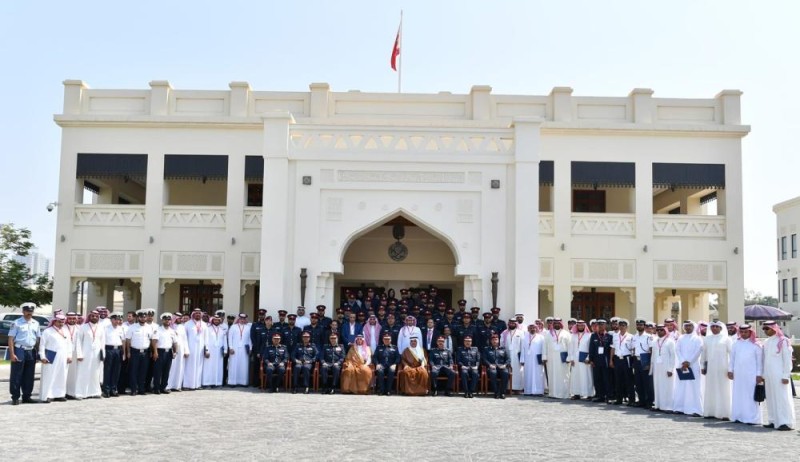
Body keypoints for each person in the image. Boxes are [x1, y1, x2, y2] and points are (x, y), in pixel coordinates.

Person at [761, 321, 795, 430]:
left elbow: (787, 360)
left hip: (780, 375)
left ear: (774, 328)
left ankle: (785, 422)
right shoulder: (766, 342)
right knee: (770, 398)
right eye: (764, 329)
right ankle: (773, 420)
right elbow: (764, 359)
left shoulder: (783, 341)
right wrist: (763, 374)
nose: (765, 331)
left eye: (767, 328)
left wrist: (786, 375)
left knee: (782, 398)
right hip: (769, 375)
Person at [727, 324, 763, 425]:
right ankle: (738, 416)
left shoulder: (756, 345)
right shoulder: (736, 344)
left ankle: (752, 419)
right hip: (738, 374)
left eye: (746, 332)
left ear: (750, 332)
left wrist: (759, 374)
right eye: (741, 332)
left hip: (751, 375)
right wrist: (730, 370)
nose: (743, 334)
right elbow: (732, 359)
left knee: (750, 396)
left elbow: (760, 362)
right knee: (738, 395)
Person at [7, 302, 41, 405]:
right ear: (23, 311)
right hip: (19, 349)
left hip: (31, 350)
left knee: (29, 375)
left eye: (30, 312)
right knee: (17, 374)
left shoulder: (36, 323)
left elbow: (38, 338)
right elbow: (11, 339)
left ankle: (27, 396)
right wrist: (12, 354)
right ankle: (15, 397)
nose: (29, 313)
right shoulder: (16, 323)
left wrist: (38, 353)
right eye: (27, 311)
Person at [701, 321, 732, 419]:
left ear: (721, 328)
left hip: (723, 368)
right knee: (711, 389)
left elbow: (732, 355)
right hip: (710, 368)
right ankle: (710, 412)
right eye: (713, 326)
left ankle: (725, 413)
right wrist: (703, 366)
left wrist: (731, 369)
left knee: (723, 390)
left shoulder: (726, 339)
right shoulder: (707, 339)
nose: (714, 328)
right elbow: (704, 354)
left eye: (717, 327)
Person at [39, 314, 73, 403]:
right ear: (54, 321)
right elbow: (42, 345)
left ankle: (59, 394)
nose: (61, 323)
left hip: (63, 356)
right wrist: (42, 356)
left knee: (62, 375)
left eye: (63, 321)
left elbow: (69, 344)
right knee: (49, 376)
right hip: (51, 356)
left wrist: (69, 355)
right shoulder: (48, 331)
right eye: (59, 321)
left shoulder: (66, 331)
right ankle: (47, 395)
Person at [672, 321, 703, 416]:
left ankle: (695, 409)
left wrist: (689, 362)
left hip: (692, 366)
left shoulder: (698, 339)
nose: (688, 328)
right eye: (686, 326)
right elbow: (677, 350)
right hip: (682, 366)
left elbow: (698, 351)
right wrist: (683, 361)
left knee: (693, 388)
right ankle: (680, 408)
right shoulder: (681, 338)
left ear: (693, 327)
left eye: (690, 326)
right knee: (681, 387)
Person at [75, 309, 105, 399]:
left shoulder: (101, 328)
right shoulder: (83, 327)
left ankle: (95, 392)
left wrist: (103, 355)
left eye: (96, 316)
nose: (94, 317)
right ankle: (81, 393)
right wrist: (79, 354)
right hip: (85, 353)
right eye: (92, 316)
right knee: (83, 373)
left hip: (96, 354)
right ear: (89, 317)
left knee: (95, 373)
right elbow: (78, 342)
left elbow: (103, 342)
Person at [125, 310, 156, 396]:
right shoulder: (132, 327)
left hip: (145, 352)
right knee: (134, 371)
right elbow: (128, 340)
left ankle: (141, 389)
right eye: (141, 317)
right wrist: (128, 352)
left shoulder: (149, 328)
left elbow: (151, 340)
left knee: (143, 371)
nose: (143, 318)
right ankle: (134, 389)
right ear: (138, 317)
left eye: (145, 317)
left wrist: (151, 351)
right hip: (135, 351)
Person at [650, 324, 676, 412]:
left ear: (665, 331)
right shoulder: (654, 341)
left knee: (667, 387)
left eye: (661, 330)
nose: (660, 331)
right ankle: (658, 405)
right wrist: (652, 368)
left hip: (666, 368)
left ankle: (668, 407)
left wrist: (670, 369)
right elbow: (653, 356)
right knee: (657, 386)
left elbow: (673, 356)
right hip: (657, 368)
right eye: (658, 330)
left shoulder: (670, 341)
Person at [543, 317, 571, 399]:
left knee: (564, 375)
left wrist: (569, 357)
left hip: (563, 359)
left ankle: (564, 394)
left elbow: (570, 346)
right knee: (552, 375)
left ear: (561, 324)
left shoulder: (566, 333)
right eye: (555, 323)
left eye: (558, 323)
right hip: (551, 358)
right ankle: (552, 393)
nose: (556, 324)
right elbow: (544, 346)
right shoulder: (548, 334)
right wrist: (544, 356)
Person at [610, 319, 635, 405]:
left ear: (627, 327)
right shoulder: (615, 336)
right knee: (618, 379)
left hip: (627, 358)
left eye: (623, 325)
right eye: (620, 325)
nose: (621, 327)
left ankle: (631, 399)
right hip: (617, 359)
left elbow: (633, 349)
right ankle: (619, 399)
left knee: (629, 379)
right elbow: (613, 348)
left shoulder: (631, 337)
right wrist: (611, 360)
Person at [588, 319, 613, 403]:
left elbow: (611, 350)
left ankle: (608, 396)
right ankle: (599, 395)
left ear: (605, 325)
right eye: (599, 325)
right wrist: (591, 359)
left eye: (602, 324)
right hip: (596, 360)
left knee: (607, 379)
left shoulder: (609, 336)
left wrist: (610, 360)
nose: (600, 326)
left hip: (605, 360)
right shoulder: (593, 336)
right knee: (597, 379)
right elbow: (591, 348)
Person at [631, 319, 654, 408]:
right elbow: (633, 349)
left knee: (647, 382)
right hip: (636, 360)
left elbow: (651, 350)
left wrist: (649, 363)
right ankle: (641, 400)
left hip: (645, 360)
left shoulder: (649, 337)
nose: (639, 326)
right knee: (638, 382)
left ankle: (649, 401)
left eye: (641, 325)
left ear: (644, 326)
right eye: (638, 325)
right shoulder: (634, 337)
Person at [568, 320, 593, 400]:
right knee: (576, 376)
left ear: (584, 326)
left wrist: (588, 358)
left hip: (585, 359)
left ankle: (589, 394)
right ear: (577, 326)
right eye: (579, 326)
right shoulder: (573, 335)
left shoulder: (589, 335)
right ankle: (576, 393)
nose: (580, 327)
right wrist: (571, 358)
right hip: (575, 359)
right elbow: (570, 348)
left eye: (582, 325)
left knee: (586, 376)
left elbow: (591, 348)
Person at [153, 313, 177, 394]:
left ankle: (163, 387)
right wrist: (155, 352)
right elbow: (154, 342)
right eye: (166, 319)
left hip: (169, 352)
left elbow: (175, 342)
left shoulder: (172, 331)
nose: (167, 321)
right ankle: (156, 388)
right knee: (158, 371)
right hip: (160, 351)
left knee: (166, 371)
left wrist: (175, 352)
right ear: (162, 320)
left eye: (169, 319)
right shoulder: (158, 330)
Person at [102, 313, 125, 398]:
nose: (117, 321)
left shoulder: (120, 328)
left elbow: (123, 341)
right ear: (111, 320)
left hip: (118, 350)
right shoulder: (106, 328)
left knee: (116, 370)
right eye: (115, 319)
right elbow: (103, 341)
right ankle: (106, 390)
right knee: (108, 370)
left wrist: (124, 352)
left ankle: (113, 389)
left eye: (118, 320)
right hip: (109, 349)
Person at [183, 308, 207, 390]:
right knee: (189, 367)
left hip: (200, 349)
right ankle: (187, 385)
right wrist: (186, 349)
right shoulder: (187, 324)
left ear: (201, 314)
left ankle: (197, 384)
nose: (197, 315)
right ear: (193, 314)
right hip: (190, 349)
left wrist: (206, 350)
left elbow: (206, 338)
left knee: (199, 367)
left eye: (199, 313)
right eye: (196, 313)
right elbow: (184, 338)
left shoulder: (204, 324)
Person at [501, 318, 525, 394]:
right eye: (510, 323)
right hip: (507, 355)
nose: (512, 324)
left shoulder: (520, 333)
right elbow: (501, 345)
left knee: (518, 372)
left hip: (517, 356)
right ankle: (508, 388)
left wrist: (522, 358)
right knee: (508, 371)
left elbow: (523, 346)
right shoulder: (504, 333)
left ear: (516, 324)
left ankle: (517, 388)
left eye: (513, 323)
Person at [167, 312, 190, 392]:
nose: (181, 319)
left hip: (181, 350)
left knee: (180, 367)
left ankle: (177, 386)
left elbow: (185, 339)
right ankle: (168, 385)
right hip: (172, 349)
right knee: (171, 368)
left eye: (181, 318)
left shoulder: (182, 327)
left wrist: (186, 350)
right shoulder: (170, 327)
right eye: (179, 318)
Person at [227, 314, 252, 387]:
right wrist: (230, 347)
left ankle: (243, 382)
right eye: (241, 318)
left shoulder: (248, 327)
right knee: (233, 365)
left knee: (244, 365)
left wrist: (250, 348)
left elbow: (250, 339)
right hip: (234, 348)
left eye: (244, 319)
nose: (242, 320)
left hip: (244, 349)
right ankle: (232, 382)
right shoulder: (233, 327)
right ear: (239, 319)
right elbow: (230, 337)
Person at [483, 334, 510, 399]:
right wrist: (490, 365)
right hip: (492, 366)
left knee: (505, 373)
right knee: (493, 373)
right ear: (491, 341)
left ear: (498, 341)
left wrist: (505, 365)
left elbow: (508, 359)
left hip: (501, 366)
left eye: (496, 340)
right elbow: (484, 359)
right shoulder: (487, 349)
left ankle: (503, 393)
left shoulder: (503, 349)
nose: (494, 341)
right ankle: (496, 392)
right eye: (493, 340)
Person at [522, 323, 546, 396]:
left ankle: (538, 391)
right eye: (531, 328)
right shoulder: (524, 338)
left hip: (537, 359)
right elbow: (522, 349)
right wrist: (522, 360)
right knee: (528, 374)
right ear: (528, 329)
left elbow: (543, 349)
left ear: (536, 329)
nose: (532, 329)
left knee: (538, 375)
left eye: (534, 328)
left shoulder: (541, 337)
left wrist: (543, 358)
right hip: (527, 360)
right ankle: (528, 391)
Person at [202, 315, 227, 388]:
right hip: (210, 351)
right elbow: (205, 340)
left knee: (218, 367)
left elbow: (225, 340)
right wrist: (206, 350)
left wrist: (225, 350)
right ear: (212, 320)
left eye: (218, 320)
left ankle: (217, 383)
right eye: (215, 320)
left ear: (220, 321)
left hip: (219, 351)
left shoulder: (222, 329)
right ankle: (207, 383)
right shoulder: (208, 328)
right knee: (209, 367)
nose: (216, 321)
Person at [64, 312, 82, 399]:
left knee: (74, 375)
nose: (72, 320)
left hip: (75, 353)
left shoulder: (79, 328)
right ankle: (63, 392)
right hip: (65, 354)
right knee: (64, 374)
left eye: (74, 318)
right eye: (70, 318)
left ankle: (72, 392)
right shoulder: (63, 327)